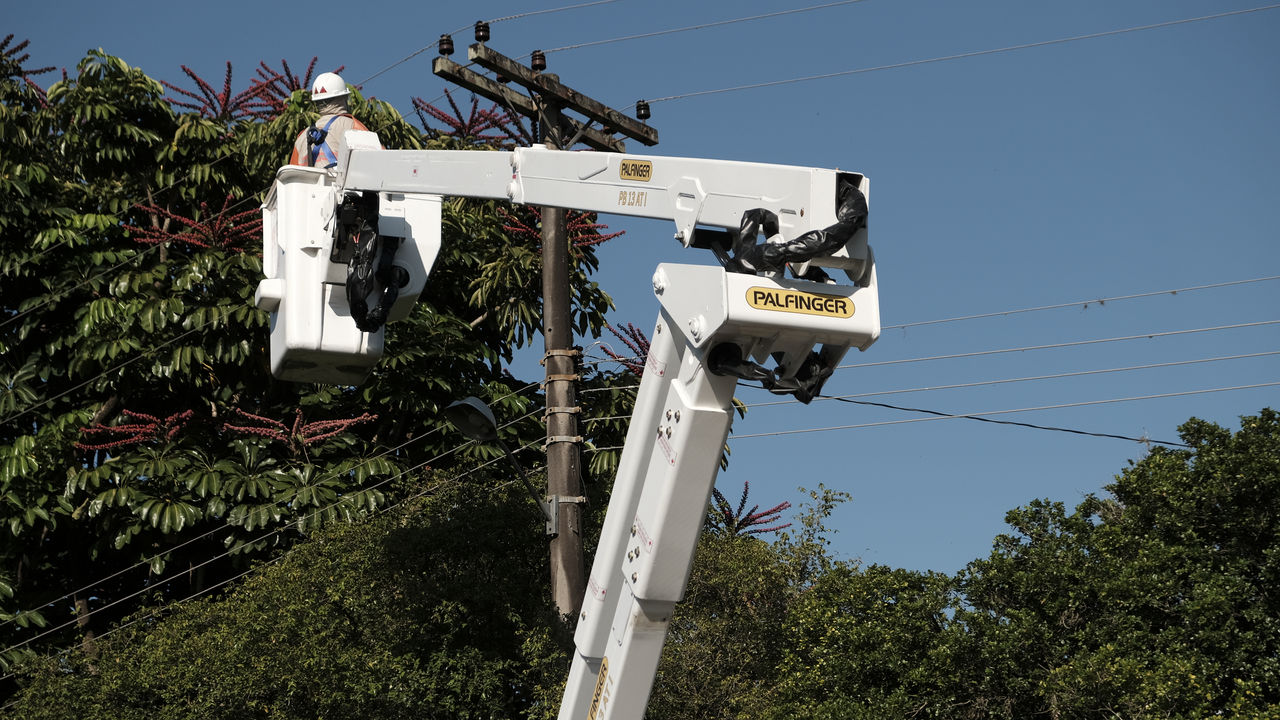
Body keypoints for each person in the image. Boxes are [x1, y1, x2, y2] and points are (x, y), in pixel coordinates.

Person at [288, 72, 370, 168]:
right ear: (343, 98)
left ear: (316, 103)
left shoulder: (302, 137)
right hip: (339, 182)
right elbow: (378, 158)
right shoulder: (352, 125)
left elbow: (292, 174)